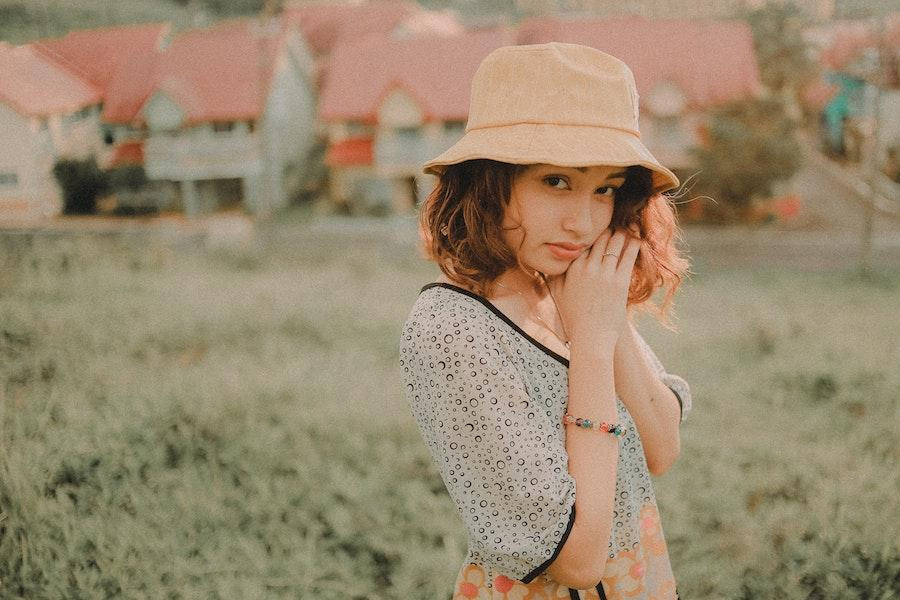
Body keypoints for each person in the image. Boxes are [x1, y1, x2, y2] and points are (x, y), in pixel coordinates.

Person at [399, 43, 693, 600]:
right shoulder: (453, 331)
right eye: (556, 181)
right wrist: (592, 345)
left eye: (605, 188)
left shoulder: (568, 285)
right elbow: (578, 563)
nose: (583, 222)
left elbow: (663, 446)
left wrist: (603, 321)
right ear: (490, 182)